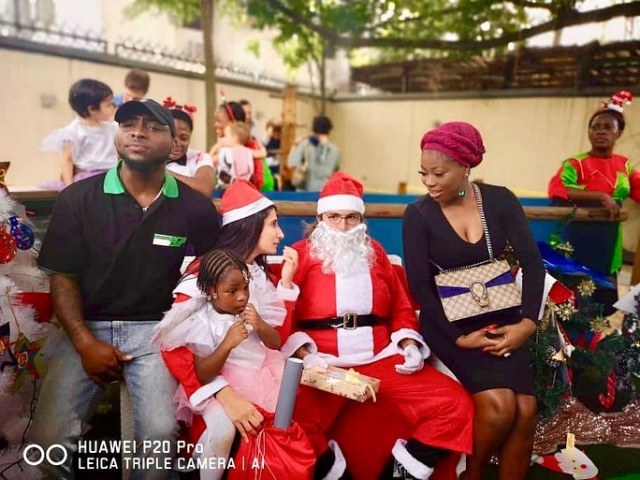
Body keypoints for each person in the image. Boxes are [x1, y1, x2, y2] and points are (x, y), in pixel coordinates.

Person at [29, 99, 222, 479]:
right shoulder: (78, 199)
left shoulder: (195, 209)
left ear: (174, 144)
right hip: (84, 326)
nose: (137, 132)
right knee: (48, 439)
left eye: (152, 127)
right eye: (128, 124)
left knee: (160, 435)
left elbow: (209, 272)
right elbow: (62, 276)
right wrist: (85, 342)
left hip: (157, 331)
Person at [281, 172, 474, 480]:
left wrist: (408, 343)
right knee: (289, 419)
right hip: (325, 362)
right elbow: (284, 315)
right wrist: (306, 356)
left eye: (351, 217)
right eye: (334, 217)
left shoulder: (375, 253)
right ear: (320, 218)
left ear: (361, 219)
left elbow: (401, 307)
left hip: (380, 358)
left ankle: (399, 474)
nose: (343, 226)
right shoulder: (301, 255)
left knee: (454, 404)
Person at [402, 122, 546, 480]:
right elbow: (420, 287)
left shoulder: (500, 200)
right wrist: (459, 339)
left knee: (525, 410)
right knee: (499, 408)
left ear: (466, 167)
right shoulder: (418, 215)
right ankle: (472, 473)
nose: (429, 182)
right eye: (423, 173)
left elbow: (532, 262)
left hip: (502, 316)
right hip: (449, 323)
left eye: (439, 173)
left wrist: (527, 323)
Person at [160, 180, 299, 479]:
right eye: (273, 224)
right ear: (249, 227)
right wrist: (222, 394)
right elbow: (173, 346)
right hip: (215, 383)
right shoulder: (207, 274)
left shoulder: (258, 274)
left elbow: (277, 338)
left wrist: (287, 284)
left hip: (261, 374)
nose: (281, 234)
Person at [548, 90, 639, 279]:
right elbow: (559, 189)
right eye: (595, 127)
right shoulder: (575, 164)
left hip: (610, 241)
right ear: (589, 133)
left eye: (608, 127)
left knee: (606, 289)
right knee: (576, 285)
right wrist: (601, 196)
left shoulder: (625, 165)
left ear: (618, 133)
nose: (600, 132)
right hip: (578, 236)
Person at [40, 78, 117, 188]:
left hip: (111, 175)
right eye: (109, 105)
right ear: (92, 109)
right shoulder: (74, 131)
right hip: (88, 177)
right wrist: (69, 185)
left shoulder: (111, 127)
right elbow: (67, 160)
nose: (113, 108)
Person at [208, 100, 274, 191]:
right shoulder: (227, 146)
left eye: (219, 121)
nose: (215, 124)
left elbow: (209, 160)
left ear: (232, 124)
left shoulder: (242, 148)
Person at [163, 97, 216, 197]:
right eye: (171, 136)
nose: (176, 143)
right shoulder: (147, 156)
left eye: (184, 138)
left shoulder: (198, 157)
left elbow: (204, 188)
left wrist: (158, 173)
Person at [287, 115, 340, 192]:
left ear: (314, 128)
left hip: (305, 193)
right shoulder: (336, 150)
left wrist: (295, 144)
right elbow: (335, 172)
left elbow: (291, 163)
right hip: (325, 192)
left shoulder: (306, 144)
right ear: (329, 129)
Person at [215, 122, 255, 188]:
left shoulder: (225, 151)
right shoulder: (248, 152)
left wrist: (218, 146)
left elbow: (213, 162)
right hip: (244, 186)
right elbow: (250, 170)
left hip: (225, 187)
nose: (223, 139)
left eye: (225, 136)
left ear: (235, 138)